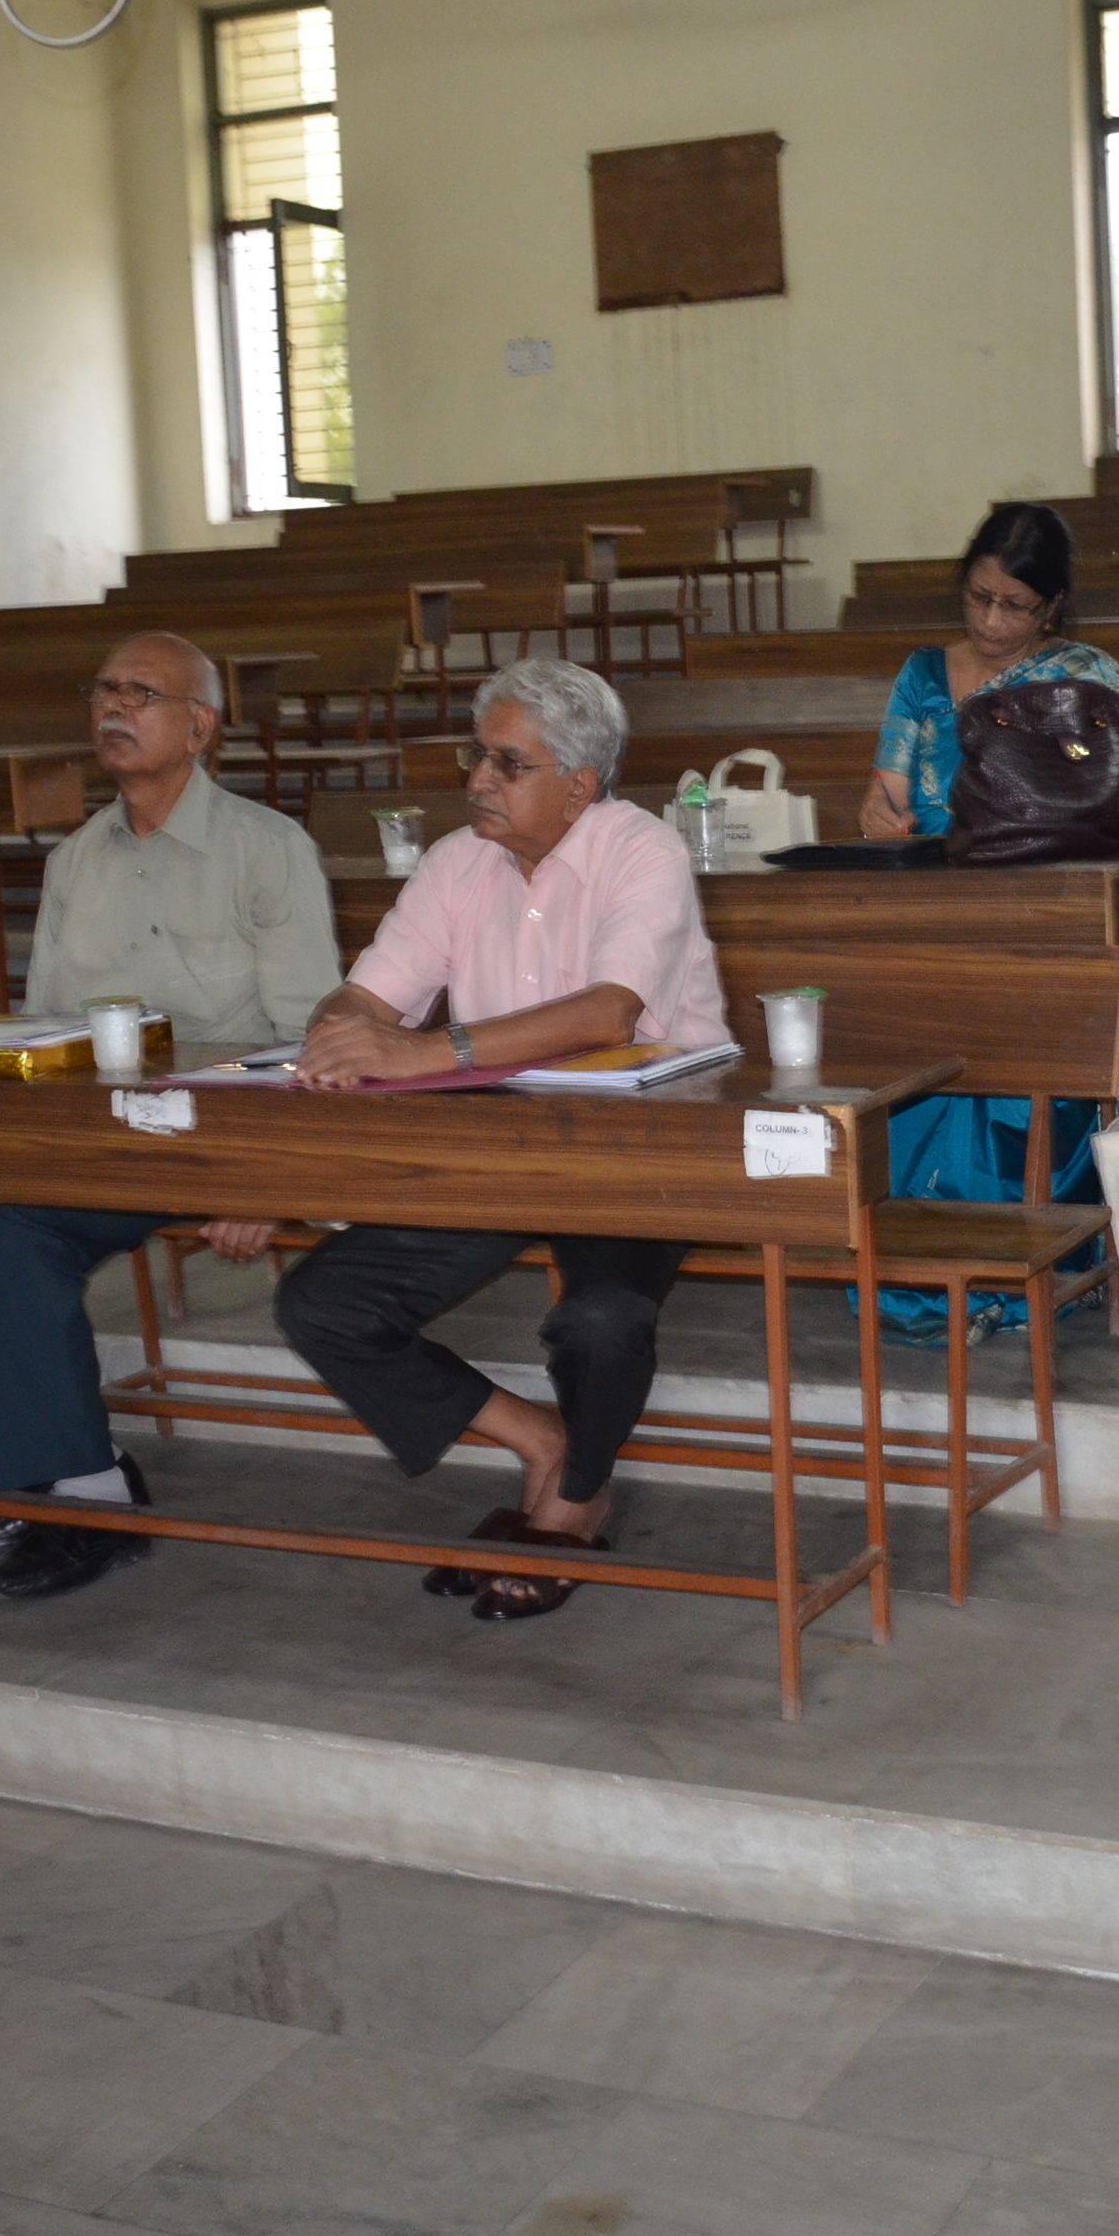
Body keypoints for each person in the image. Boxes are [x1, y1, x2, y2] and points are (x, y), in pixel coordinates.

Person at [0, 633, 340, 1604]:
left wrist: (265, 1181)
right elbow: (43, 1032)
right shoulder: (76, 859)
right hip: (87, 1139)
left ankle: (90, 1503)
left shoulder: (266, 849)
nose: (113, 707)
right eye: (104, 690)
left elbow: (310, 1038)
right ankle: (37, 1474)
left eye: (141, 693)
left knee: (12, 1229)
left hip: (208, 1139)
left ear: (200, 728)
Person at [269, 658, 728, 1622]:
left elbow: (608, 1012)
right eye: (476, 757)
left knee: (601, 1322)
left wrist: (425, 1049)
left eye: (507, 764)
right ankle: (544, 1441)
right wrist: (340, 1032)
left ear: (580, 785)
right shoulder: (455, 862)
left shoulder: (642, 852)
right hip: (497, 1147)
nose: (478, 779)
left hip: (639, 1149)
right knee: (324, 1303)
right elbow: (368, 993)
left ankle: (577, 1497)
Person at [858, 502, 1119, 1337]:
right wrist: (879, 812)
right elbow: (886, 789)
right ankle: (933, 1260)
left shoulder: (1087, 680)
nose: (992, 622)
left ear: (1053, 608)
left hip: (1050, 925)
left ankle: (1031, 1255)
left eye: (1015, 606)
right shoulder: (923, 674)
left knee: (1023, 1057)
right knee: (911, 1044)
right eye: (978, 598)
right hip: (946, 918)